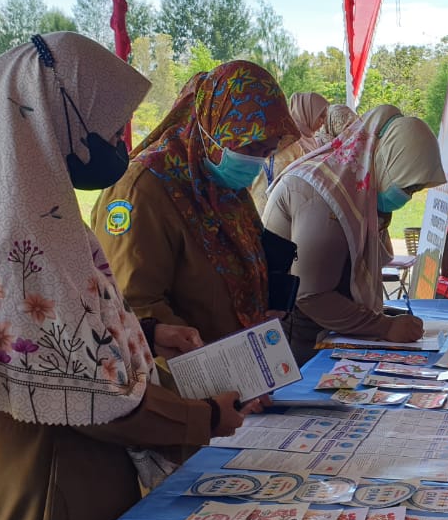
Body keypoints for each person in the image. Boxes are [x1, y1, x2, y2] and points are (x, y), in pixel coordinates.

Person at [0, 32, 245, 520]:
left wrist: (145, 335)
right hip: (55, 486)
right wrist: (206, 417)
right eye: (107, 124)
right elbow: (93, 394)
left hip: (69, 469)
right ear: (50, 113)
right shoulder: (20, 237)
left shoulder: (34, 211)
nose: (118, 141)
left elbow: (64, 329)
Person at [92, 60, 299, 345]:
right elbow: (133, 304)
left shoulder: (222, 184)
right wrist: (205, 359)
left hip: (239, 359)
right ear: (213, 127)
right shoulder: (142, 190)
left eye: (267, 151)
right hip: (180, 366)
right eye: (250, 146)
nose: (255, 161)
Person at [262, 104, 445, 363]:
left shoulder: (358, 190)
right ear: (385, 163)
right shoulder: (323, 193)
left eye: (414, 190)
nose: (407, 197)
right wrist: (384, 326)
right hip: (299, 340)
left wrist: (381, 317)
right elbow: (311, 295)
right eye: (407, 187)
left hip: (330, 331)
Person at [250, 90, 329, 211]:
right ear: (307, 113)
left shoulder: (309, 140)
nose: (323, 121)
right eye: (321, 116)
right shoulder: (293, 141)